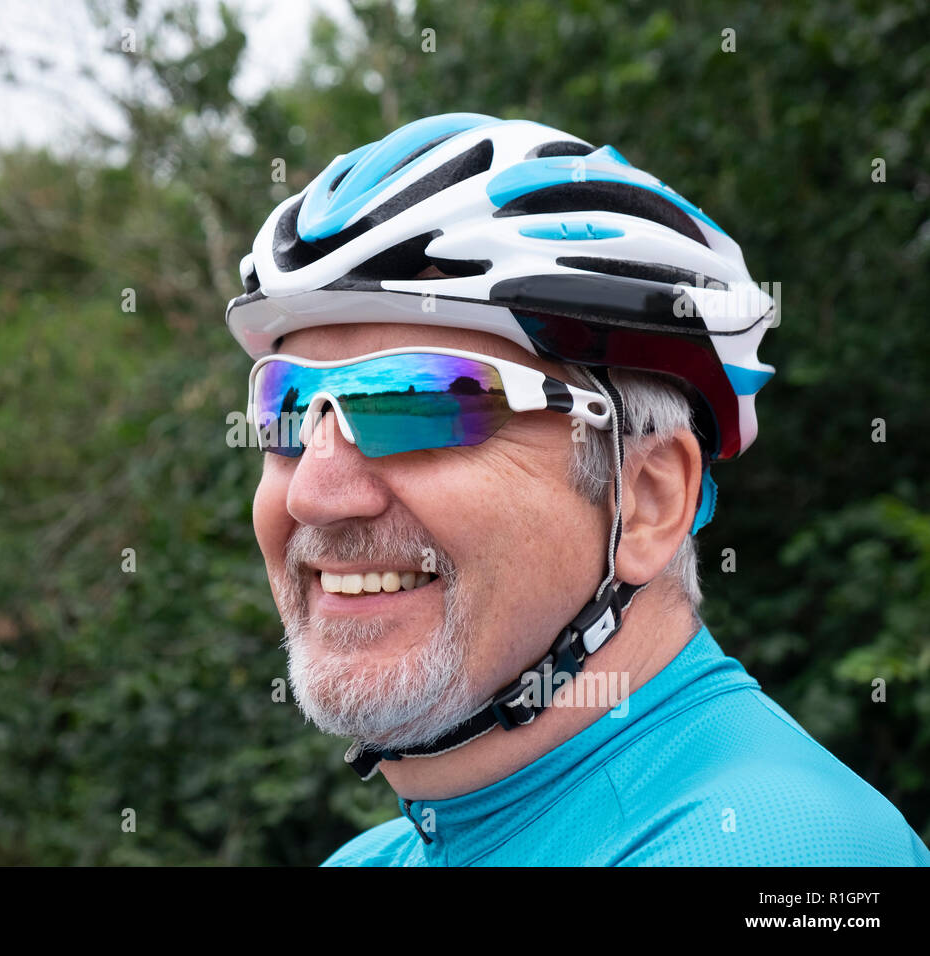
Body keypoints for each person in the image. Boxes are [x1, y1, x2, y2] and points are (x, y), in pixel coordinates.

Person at [224, 112, 930, 866]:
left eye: (416, 402)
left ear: (649, 501)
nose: (316, 495)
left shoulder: (784, 849)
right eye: (288, 410)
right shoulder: (370, 860)